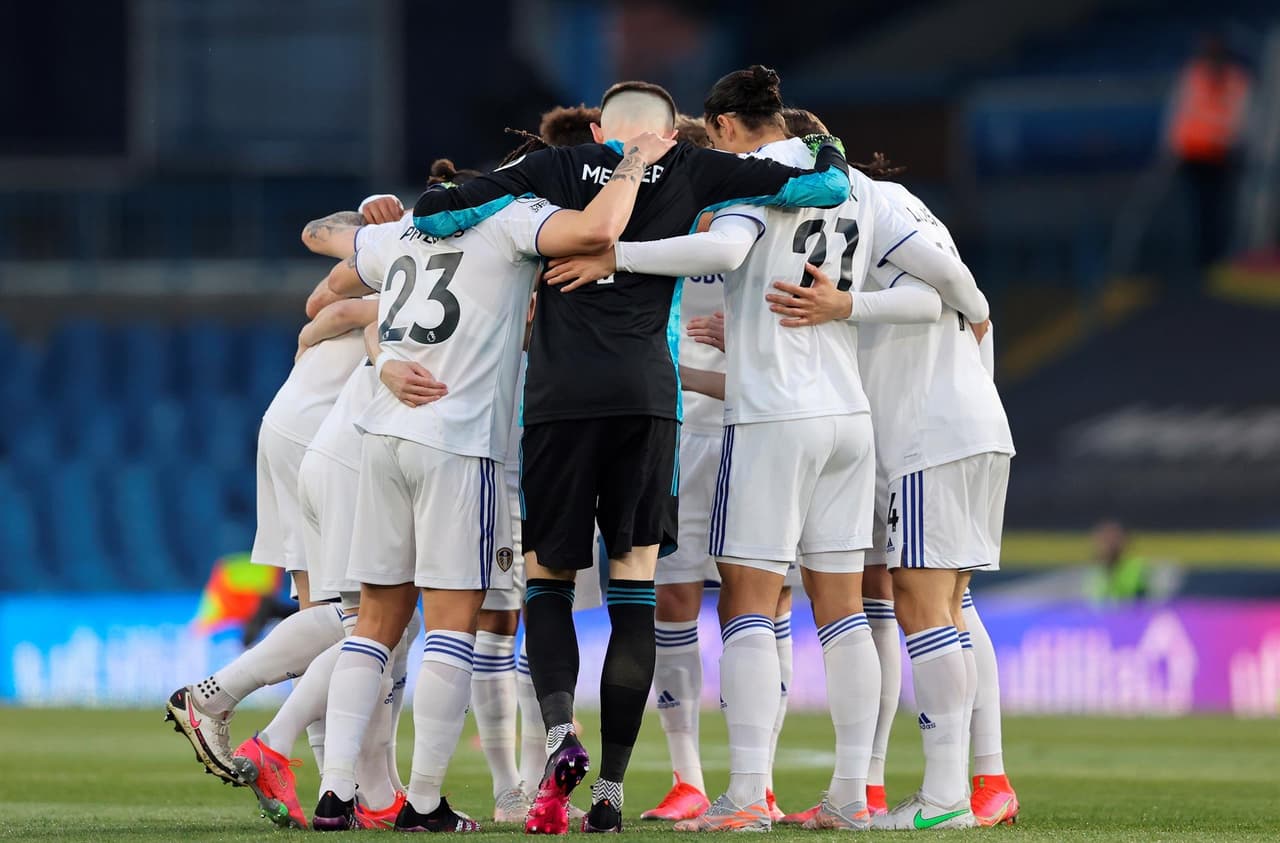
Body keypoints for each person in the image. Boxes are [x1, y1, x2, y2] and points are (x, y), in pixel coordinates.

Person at [411, 79, 852, 834]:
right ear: (670, 131)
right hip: (648, 399)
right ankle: (610, 790)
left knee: (548, 578)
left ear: (598, 127)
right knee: (635, 585)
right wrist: (826, 142)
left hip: (555, 402)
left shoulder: (556, 167)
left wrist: (456, 187)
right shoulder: (696, 169)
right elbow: (828, 181)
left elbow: (438, 211)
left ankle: (556, 730)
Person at [308, 133, 676, 832]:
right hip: (458, 442)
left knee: (378, 623)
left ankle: (336, 793)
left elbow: (321, 243)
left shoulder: (409, 229)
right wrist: (633, 163)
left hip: (382, 437)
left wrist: (367, 224)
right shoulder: (513, 221)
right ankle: (421, 804)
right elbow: (598, 228)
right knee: (453, 626)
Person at [772, 173, 1015, 829]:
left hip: (927, 436)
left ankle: (945, 798)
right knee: (949, 605)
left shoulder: (869, 204)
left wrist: (844, 307)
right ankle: (954, 784)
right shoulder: (909, 209)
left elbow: (952, 289)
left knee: (923, 603)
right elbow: (955, 298)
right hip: (967, 427)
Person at [164, 202, 392, 786]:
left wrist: (322, 321)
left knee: (327, 615)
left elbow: (321, 293)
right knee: (367, 620)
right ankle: (215, 700)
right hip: (327, 427)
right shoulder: (432, 244)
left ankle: (318, 784)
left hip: (298, 417)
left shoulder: (399, 244)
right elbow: (331, 300)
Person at [1165, 33, 1251, 269]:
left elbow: (1241, 118)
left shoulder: (1235, 79)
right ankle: (1203, 261)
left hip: (1222, 154)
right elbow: (1178, 112)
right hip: (1194, 154)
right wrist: (1172, 148)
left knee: (1219, 209)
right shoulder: (1193, 76)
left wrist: (1234, 143)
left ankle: (1218, 258)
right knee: (1199, 211)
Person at [1089, 520, 1150, 602]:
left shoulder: (1138, 568)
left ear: (1125, 541)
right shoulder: (1089, 572)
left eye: (1114, 538)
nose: (1110, 544)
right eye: (1105, 538)